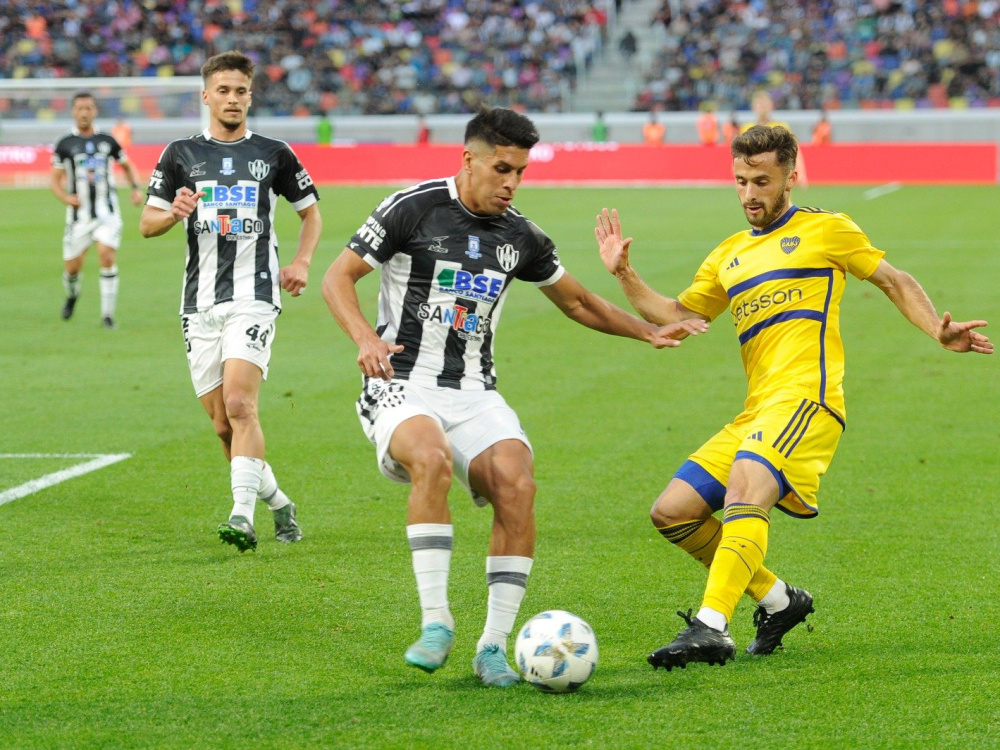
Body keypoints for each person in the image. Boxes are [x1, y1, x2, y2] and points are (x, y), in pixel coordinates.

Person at [322, 107, 706, 687]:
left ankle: (493, 647)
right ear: (469, 159)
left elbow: (578, 302)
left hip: (475, 391)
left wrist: (646, 329)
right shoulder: (413, 207)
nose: (512, 183)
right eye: (502, 168)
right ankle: (437, 623)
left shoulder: (519, 235)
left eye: (521, 172)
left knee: (519, 486)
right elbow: (337, 277)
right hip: (401, 380)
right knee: (428, 458)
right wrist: (363, 337)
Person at [594, 124, 992, 671]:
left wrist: (936, 331)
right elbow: (680, 316)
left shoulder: (827, 230)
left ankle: (712, 626)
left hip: (808, 399)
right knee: (673, 513)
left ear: (790, 175)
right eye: (740, 181)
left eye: (762, 180)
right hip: (758, 409)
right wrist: (625, 274)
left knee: (745, 487)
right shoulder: (728, 255)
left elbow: (895, 280)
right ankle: (780, 601)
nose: (749, 194)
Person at [140, 51, 323, 552]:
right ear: (206, 95)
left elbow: (311, 214)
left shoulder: (274, 153)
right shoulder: (179, 154)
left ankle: (242, 516)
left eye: (241, 90)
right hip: (198, 305)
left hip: (255, 295)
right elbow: (146, 224)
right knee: (224, 425)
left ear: (250, 96)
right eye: (223, 90)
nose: (232, 98)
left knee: (242, 403)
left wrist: (302, 263)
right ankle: (279, 503)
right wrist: (175, 213)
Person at [51, 92, 144, 328]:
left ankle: (107, 315)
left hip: (107, 213)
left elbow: (127, 165)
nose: (84, 112)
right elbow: (54, 179)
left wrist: (135, 188)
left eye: (89, 108)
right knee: (72, 268)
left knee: (107, 256)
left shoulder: (108, 141)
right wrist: (64, 197)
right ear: (73, 111)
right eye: (80, 108)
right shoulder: (64, 144)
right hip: (79, 217)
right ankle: (72, 294)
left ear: (95, 111)